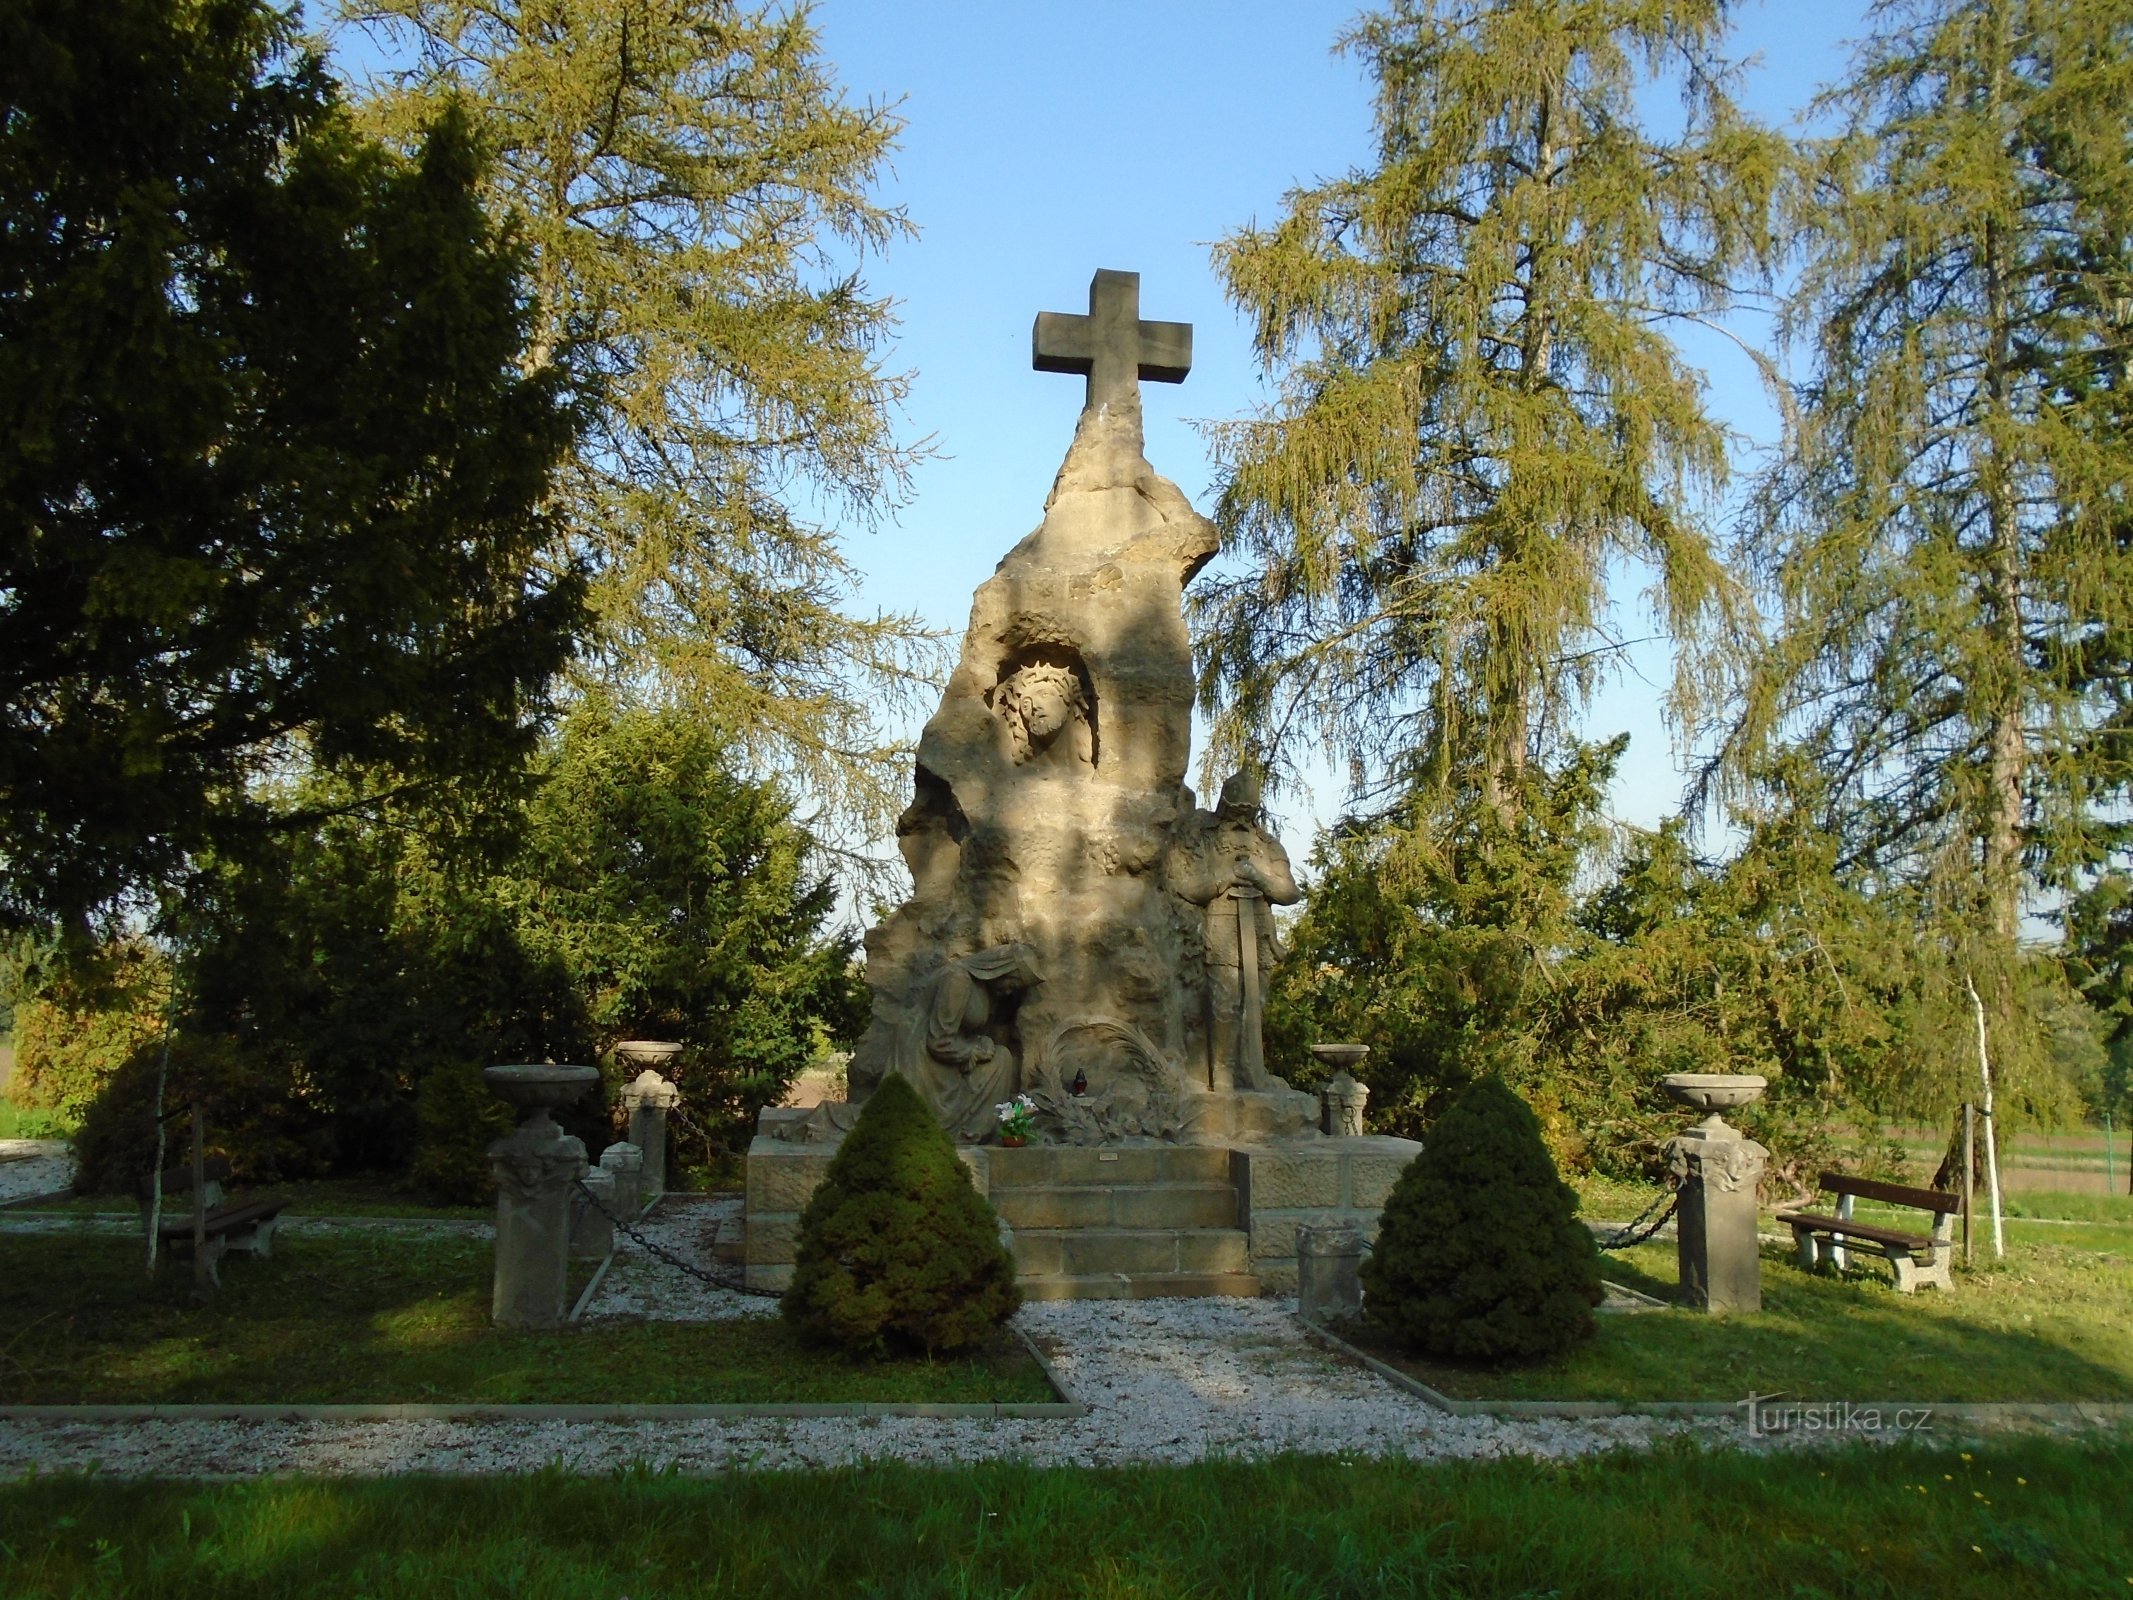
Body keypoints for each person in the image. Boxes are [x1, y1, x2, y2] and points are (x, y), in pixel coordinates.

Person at [1167, 772, 1298, 1090]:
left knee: (1255, 1003)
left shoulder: (1267, 844)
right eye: (1235, 808)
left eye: (1247, 810)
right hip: (1221, 925)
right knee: (1223, 1002)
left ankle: (1253, 1070)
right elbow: (1186, 885)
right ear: (1225, 804)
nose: (1241, 816)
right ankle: (1221, 1075)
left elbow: (1289, 891)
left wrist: (1258, 877)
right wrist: (1224, 876)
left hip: (1260, 930)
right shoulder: (1204, 836)